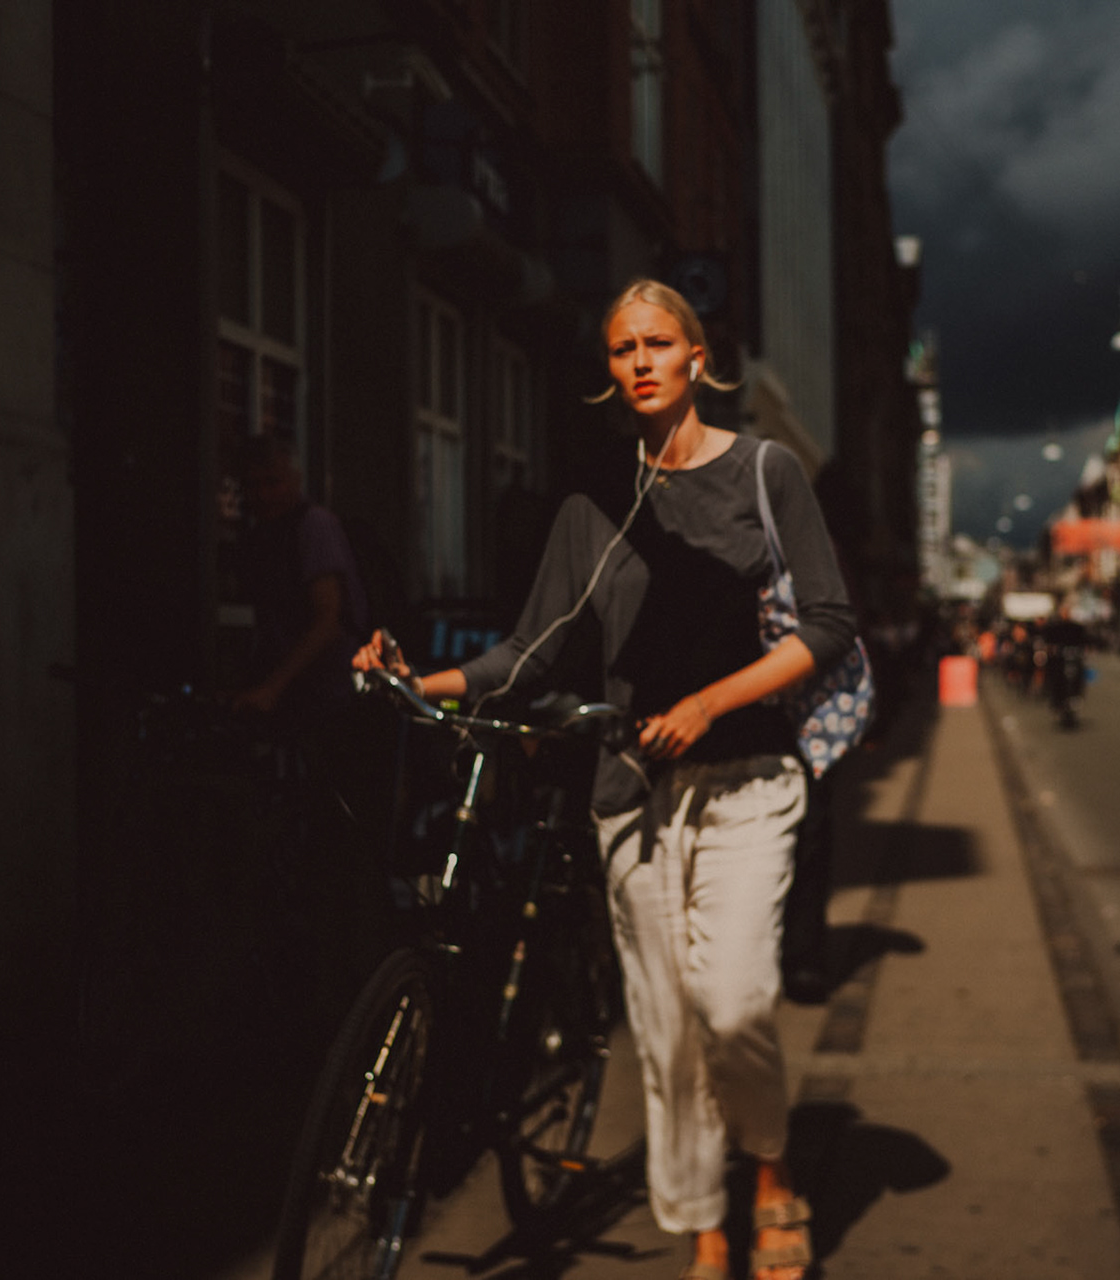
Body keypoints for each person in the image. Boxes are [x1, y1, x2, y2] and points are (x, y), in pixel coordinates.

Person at [355, 279, 851, 1280]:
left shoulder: (766, 472)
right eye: (622, 349)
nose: (639, 362)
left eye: (658, 343)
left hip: (748, 780)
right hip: (633, 793)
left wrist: (709, 702)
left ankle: (771, 1164)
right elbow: (527, 653)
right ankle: (706, 1226)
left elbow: (829, 626)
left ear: (698, 358)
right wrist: (415, 677)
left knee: (733, 1002)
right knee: (666, 1032)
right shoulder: (592, 500)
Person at [233, 430, 369, 715]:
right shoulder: (262, 536)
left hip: (328, 694)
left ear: (296, 479)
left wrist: (272, 688)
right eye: (253, 485)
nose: (264, 495)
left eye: (273, 482)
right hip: (294, 693)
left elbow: (328, 620)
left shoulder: (313, 526)